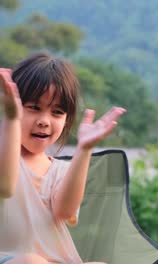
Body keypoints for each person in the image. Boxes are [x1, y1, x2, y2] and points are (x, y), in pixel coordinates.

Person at [0, 52, 126, 264]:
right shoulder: (5, 156)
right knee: (31, 262)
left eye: (57, 112)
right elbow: (5, 186)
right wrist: (12, 120)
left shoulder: (61, 170)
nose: (44, 121)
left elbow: (64, 211)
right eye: (34, 108)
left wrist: (84, 149)